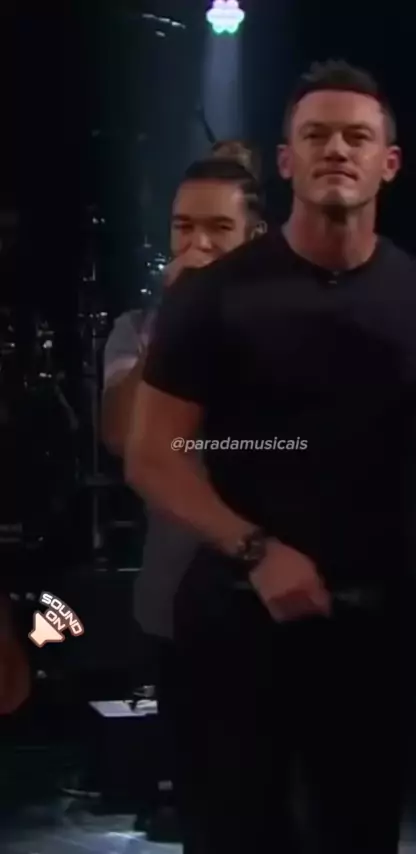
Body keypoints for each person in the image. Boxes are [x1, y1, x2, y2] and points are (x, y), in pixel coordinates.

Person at [126, 60, 416, 854]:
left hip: (372, 628)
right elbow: (152, 454)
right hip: (231, 622)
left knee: (356, 833)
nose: (336, 150)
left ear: (390, 162)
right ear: (286, 161)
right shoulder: (214, 297)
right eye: (316, 135)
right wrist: (256, 550)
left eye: (357, 136)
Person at [101, 154, 265, 839]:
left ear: (254, 237)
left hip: (280, 598)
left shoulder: (291, 324)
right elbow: (120, 433)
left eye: (218, 228)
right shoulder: (139, 330)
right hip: (177, 598)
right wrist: (175, 324)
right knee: (208, 809)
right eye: (182, 227)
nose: (197, 243)